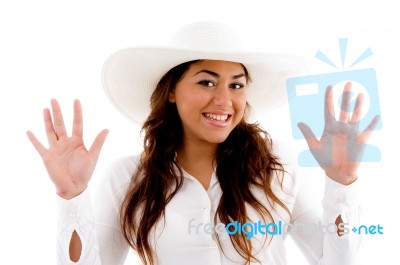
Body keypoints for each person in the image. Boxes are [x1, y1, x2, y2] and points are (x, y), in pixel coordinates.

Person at [27, 21, 379, 265]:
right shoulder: (128, 177)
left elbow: (335, 258)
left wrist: (341, 184)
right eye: (207, 83)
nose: (224, 101)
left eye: (236, 85)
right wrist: (72, 198)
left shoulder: (274, 165)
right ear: (171, 92)